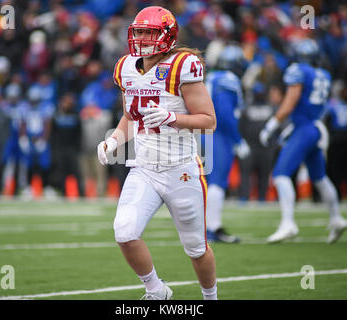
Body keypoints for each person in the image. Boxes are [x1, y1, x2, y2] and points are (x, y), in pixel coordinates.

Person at [97, 6, 218, 300]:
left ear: (167, 36)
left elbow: (209, 122)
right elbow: (130, 116)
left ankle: (211, 298)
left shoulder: (182, 65)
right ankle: (156, 289)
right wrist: (113, 141)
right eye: (138, 32)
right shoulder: (126, 66)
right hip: (144, 168)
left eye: (148, 33)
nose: (140, 38)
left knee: (196, 248)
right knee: (125, 232)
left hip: (182, 169)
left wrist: (171, 118)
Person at [259, 38, 347, 244]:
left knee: (281, 174)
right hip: (315, 126)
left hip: (305, 128)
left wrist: (272, 124)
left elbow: (290, 103)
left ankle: (288, 223)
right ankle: (336, 218)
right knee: (320, 177)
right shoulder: (322, 73)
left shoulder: (298, 70)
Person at [204, 44, 250, 243]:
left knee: (209, 181)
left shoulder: (213, 77)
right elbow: (224, 113)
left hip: (205, 133)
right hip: (218, 134)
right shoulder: (228, 79)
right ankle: (213, 228)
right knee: (218, 181)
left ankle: (209, 227)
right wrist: (238, 139)